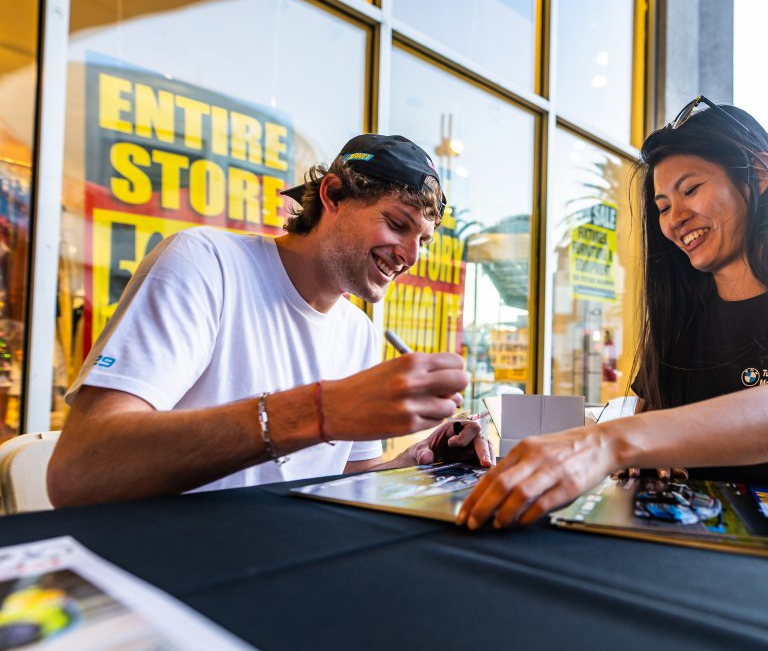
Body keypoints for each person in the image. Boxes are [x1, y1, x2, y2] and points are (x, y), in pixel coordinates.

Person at [458, 97, 768, 530]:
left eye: (690, 190)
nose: (674, 220)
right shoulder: (681, 318)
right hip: (672, 547)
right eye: (663, 206)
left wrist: (607, 444)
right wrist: (493, 438)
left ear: (760, 174)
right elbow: (638, 427)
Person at [48, 134, 491, 507]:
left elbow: (346, 480)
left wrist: (419, 463)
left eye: (423, 241)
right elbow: (81, 470)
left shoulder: (358, 332)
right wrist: (323, 410)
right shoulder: (207, 263)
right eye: (396, 223)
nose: (411, 256)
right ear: (333, 194)